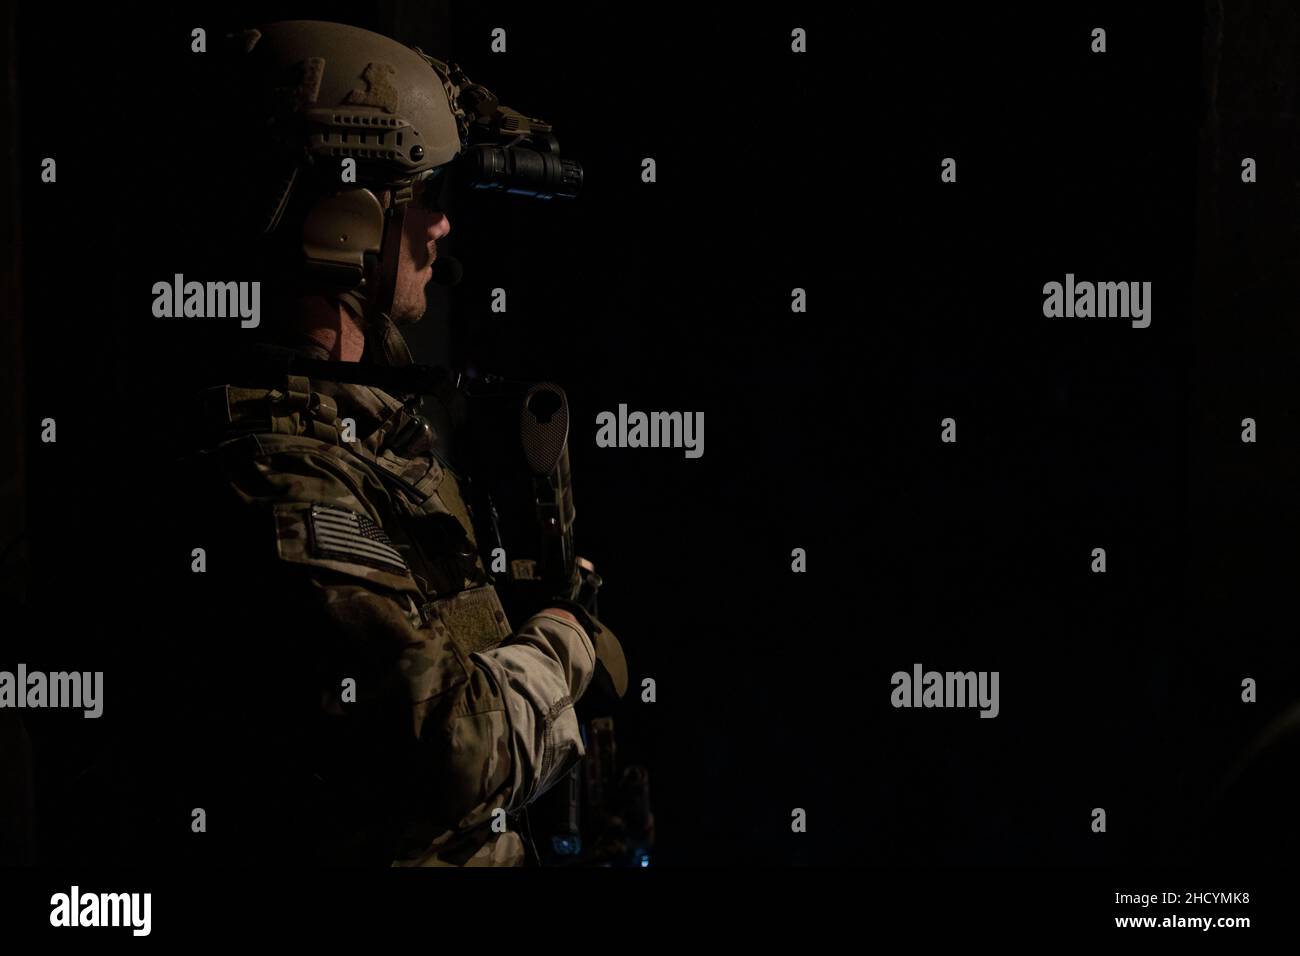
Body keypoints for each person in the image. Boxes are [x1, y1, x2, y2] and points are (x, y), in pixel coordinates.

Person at [130, 19, 625, 867]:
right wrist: (563, 639)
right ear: (349, 219)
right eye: (425, 197)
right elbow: (455, 746)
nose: (441, 229)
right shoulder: (281, 469)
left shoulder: (368, 428)